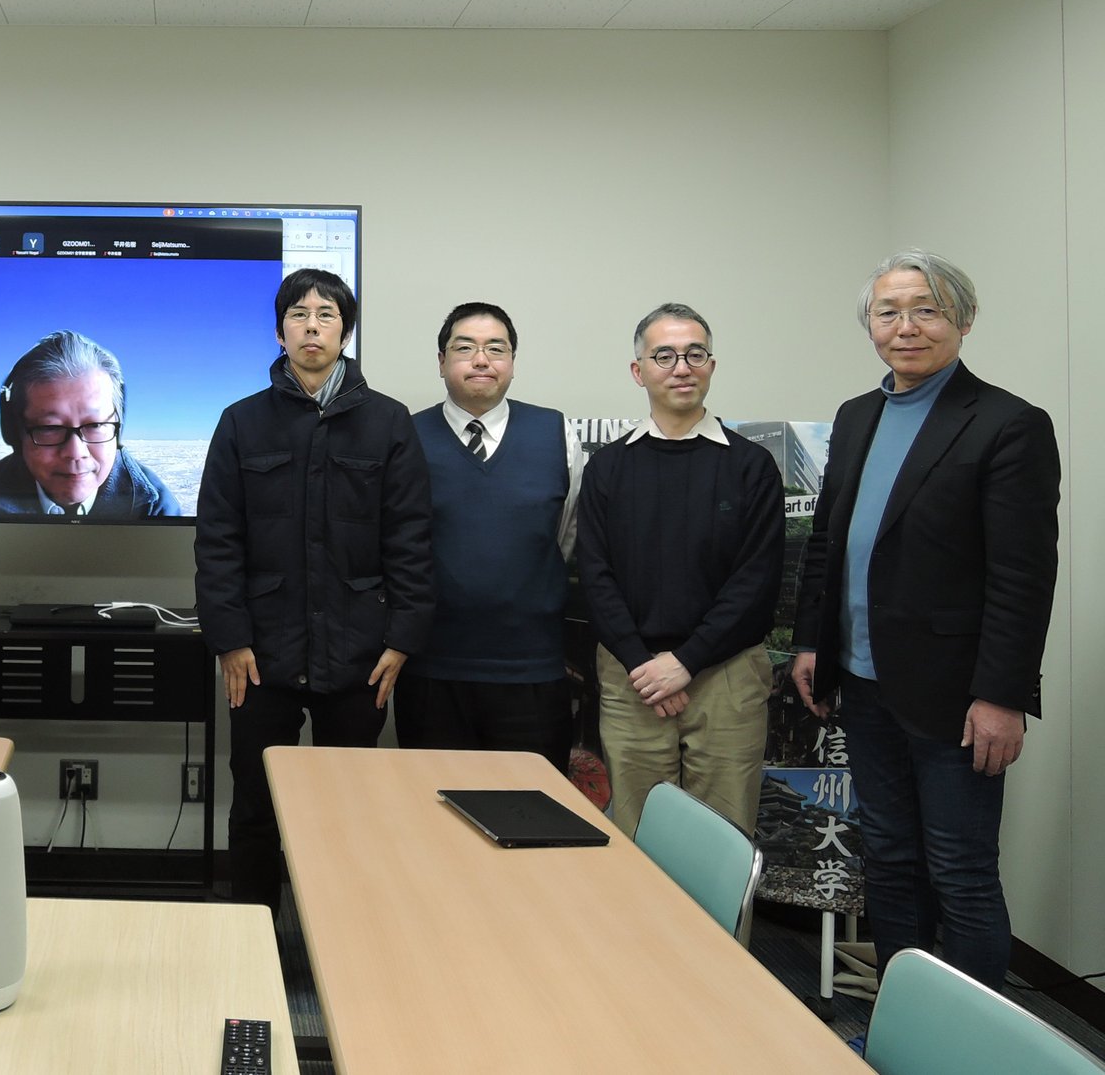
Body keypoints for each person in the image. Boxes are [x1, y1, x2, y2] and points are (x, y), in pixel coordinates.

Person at [792, 250, 1058, 989]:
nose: (905, 326)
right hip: (864, 684)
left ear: (963, 319)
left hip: (959, 697)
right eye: (889, 311)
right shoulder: (856, 416)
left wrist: (1003, 694)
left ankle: (973, 1047)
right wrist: (813, 638)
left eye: (926, 309)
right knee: (890, 857)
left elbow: (1023, 575)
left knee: (961, 870)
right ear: (871, 324)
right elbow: (828, 541)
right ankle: (902, 1015)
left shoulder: (1008, 424)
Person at [194, 268, 433, 911]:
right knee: (254, 808)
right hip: (262, 655)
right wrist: (230, 639)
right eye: (298, 314)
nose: (311, 325)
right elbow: (218, 542)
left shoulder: (387, 423)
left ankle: (341, 935)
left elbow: (410, 538)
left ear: (344, 331)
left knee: (350, 811)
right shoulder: (242, 422)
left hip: (360, 654)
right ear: (279, 332)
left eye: (326, 314)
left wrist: (403, 637)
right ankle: (253, 937)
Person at [577, 303, 782, 839]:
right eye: (663, 355)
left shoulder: (750, 465)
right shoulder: (609, 466)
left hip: (727, 677)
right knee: (636, 839)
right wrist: (647, 666)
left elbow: (756, 583)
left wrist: (686, 662)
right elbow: (594, 577)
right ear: (638, 370)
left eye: (695, 354)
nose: (681, 367)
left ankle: (714, 933)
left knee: (723, 844)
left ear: (711, 365)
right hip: (632, 676)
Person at [399, 302, 582, 773]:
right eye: (465, 348)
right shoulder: (404, 436)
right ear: (441, 362)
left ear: (512, 362)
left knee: (534, 818)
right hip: (431, 671)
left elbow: (562, 539)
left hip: (532, 671)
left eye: (495, 348)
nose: (481, 360)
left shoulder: (556, 432)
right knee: (431, 818)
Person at [0, 329, 181, 518]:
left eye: (95, 425)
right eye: (50, 428)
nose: (75, 453)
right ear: (15, 433)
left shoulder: (156, 507)